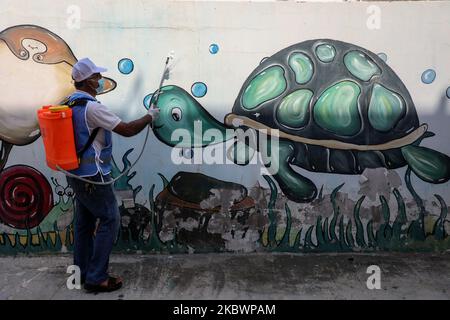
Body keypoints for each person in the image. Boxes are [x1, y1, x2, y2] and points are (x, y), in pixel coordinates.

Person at [65, 58, 160, 293]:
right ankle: (97, 277)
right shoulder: (93, 108)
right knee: (109, 219)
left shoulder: (69, 103)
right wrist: (149, 117)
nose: (99, 80)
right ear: (87, 81)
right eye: (96, 77)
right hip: (93, 177)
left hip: (75, 173)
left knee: (84, 223)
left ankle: (80, 273)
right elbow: (127, 130)